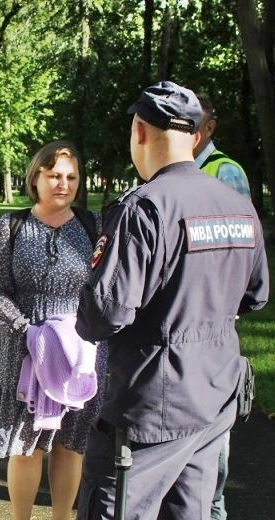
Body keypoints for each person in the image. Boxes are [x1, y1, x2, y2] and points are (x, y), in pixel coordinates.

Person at [75, 81, 269, 519]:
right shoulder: (236, 205)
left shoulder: (145, 207)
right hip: (214, 399)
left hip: (151, 413)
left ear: (139, 131)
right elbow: (256, 296)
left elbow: (101, 316)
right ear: (195, 134)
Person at [0, 141, 107, 520]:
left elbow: (105, 287)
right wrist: (27, 333)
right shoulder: (11, 227)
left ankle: (60, 517)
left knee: (71, 442)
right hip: (24, 350)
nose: (63, 184)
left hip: (79, 352)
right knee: (26, 445)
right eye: (54, 175)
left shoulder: (92, 226)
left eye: (71, 177)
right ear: (35, 177)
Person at [195, 94, 250, 520]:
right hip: (178, 333)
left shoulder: (223, 172)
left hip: (211, 332)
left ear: (208, 128)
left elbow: (241, 259)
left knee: (211, 467)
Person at [194, 94, 250, 198]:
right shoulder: (173, 169)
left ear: (209, 128)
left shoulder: (227, 172)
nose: (181, 131)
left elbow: (238, 214)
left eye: (191, 125)